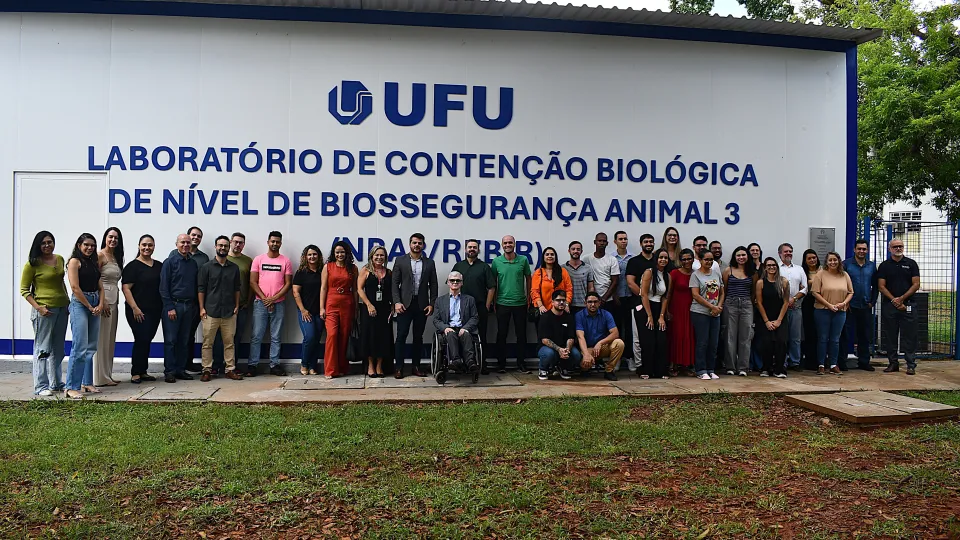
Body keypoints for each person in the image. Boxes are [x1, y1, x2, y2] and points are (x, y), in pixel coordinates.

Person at [20, 231, 69, 396]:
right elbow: (24, 290)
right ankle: (41, 386)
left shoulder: (60, 259)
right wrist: (39, 307)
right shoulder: (32, 264)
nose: (47, 245)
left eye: (50, 242)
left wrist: (67, 302)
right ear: (38, 245)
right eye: (43, 243)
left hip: (62, 309)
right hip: (44, 311)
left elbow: (61, 281)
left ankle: (55, 383)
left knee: (58, 349)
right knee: (43, 349)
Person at [393, 233, 439, 377]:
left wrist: (432, 303)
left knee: (418, 337)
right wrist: (396, 302)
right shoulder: (400, 261)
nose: (417, 245)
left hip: (422, 305)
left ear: (423, 245)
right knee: (401, 336)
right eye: (414, 243)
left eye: (419, 243)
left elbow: (434, 284)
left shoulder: (430, 263)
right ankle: (399, 368)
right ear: (410, 244)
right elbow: (394, 283)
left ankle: (416, 366)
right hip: (404, 305)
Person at [65, 233, 105, 398]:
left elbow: (101, 286)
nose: (90, 248)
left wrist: (100, 304)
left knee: (91, 347)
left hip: (95, 302)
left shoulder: (94, 263)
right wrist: (89, 306)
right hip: (80, 304)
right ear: (79, 245)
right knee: (79, 347)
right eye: (86, 245)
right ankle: (71, 387)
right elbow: (75, 287)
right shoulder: (74, 262)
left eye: (93, 245)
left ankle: (86, 383)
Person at [248, 231, 293, 377]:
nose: (275, 244)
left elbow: (288, 284)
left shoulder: (285, 261)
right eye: (272, 241)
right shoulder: (258, 259)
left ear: (281, 243)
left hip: (278, 304)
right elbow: (252, 282)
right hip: (260, 303)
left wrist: (273, 299)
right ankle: (252, 365)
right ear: (268, 242)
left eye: (277, 242)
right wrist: (265, 299)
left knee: (276, 336)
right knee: (256, 335)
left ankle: (274, 364)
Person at [198, 236, 242, 382]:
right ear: (215, 247)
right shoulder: (207, 267)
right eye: (220, 245)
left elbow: (237, 288)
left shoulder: (234, 268)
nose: (222, 248)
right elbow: (201, 289)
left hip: (229, 312)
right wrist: (201, 308)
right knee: (207, 343)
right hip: (210, 311)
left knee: (229, 343)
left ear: (229, 247)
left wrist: (236, 306)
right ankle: (207, 370)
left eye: (225, 246)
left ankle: (230, 369)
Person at [121, 234, 162, 384]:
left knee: (147, 340)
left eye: (150, 245)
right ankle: (135, 372)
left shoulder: (159, 265)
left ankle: (143, 371)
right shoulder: (132, 266)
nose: (147, 248)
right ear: (139, 246)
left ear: (154, 247)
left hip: (155, 310)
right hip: (137, 311)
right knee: (141, 338)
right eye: (144, 245)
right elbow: (126, 288)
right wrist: (135, 308)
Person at [877, 239, 921, 374]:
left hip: (908, 305)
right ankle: (893, 363)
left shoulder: (911, 264)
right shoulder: (884, 266)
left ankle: (911, 364)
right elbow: (881, 286)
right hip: (890, 305)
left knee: (909, 335)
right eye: (895, 246)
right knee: (890, 335)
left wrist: (902, 299)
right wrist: (894, 301)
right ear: (890, 248)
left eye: (900, 246)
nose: (898, 248)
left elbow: (916, 284)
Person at [168, 226, 209, 373]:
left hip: (194, 303)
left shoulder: (202, 258)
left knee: (189, 335)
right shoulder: (173, 255)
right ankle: (173, 368)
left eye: (199, 236)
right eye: (193, 235)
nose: (195, 238)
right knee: (174, 337)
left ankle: (187, 364)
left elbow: (203, 281)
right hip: (176, 302)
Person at [160, 234, 199, 384]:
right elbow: (163, 287)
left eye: (188, 243)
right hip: (173, 306)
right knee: (171, 341)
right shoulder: (169, 262)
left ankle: (181, 370)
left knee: (184, 340)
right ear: (176, 244)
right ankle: (169, 371)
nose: (185, 245)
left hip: (189, 306)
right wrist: (169, 307)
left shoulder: (193, 263)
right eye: (182, 242)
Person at [453, 239, 495, 372]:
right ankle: (462, 363)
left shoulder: (484, 267)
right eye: (469, 247)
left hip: (479, 307)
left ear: (478, 250)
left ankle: (482, 363)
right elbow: (452, 285)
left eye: (474, 247)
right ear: (465, 249)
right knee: (461, 334)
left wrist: (487, 306)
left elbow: (491, 287)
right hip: (461, 307)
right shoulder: (459, 266)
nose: (472, 249)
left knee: (482, 335)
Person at [213, 232, 253, 375]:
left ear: (244, 245)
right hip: (221, 307)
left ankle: (231, 366)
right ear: (230, 243)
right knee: (218, 338)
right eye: (235, 242)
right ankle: (216, 365)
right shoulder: (222, 259)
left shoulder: (248, 261)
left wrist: (247, 302)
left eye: (241, 242)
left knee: (237, 337)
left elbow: (251, 283)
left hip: (241, 306)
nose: (238, 245)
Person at [491, 235, 531, 373]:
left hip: (520, 303)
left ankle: (521, 363)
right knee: (501, 334)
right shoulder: (496, 261)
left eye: (510, 242)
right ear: (502, 245)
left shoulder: (523, 260)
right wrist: (494, 301)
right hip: (502, 303)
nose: (508, 245)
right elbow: (493, 283)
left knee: (522, 335)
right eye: (505, 243)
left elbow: (528, 278)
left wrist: (529, 296)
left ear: (515, 244)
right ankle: (501, 364)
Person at [319, 241, 359, 378]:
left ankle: (342, 368)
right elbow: (323, 288)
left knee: (344, 336)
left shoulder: (353, 268)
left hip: (348, 304)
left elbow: (355, 289)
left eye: (342, 252)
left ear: (347, 253)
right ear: (333, 253)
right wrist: (321, 307)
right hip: (331, 303)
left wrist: (356, 308)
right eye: (337, 252)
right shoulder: (328, 267)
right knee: (332, 335)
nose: (340, 254)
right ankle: (330, 370)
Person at [810, 251, 854, 375]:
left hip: (840, 311)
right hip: (822, 311)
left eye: (835, 260)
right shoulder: (821, 274)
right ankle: (821, 365)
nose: (833, 262)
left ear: (839, 261)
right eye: (830, 260)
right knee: (823, 338)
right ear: (826, 262)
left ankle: (834, 365)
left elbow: (851, 292)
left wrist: (844, 303)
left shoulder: (844, 275)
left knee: (835, 339)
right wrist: (828, 305)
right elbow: (815, 292)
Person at [92, 227, 123, 387]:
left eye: (116, 238)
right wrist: (101, 301)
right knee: (101, 339)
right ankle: (99, 377)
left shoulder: (115, 257)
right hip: (104, 300)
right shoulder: (99, 255)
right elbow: (94, 278)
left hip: (114, 301)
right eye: (110, 237)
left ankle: (107, 374)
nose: (113, 240)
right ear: (105, 238)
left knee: (110, 339)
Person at [432, 271, 480, 374]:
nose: (455, 282)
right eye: (452, 280)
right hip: (448, 329)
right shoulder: (440, 301)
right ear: (448, 282)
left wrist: (466, 328)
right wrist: (445, 328)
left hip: (463, 328)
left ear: (462, 283)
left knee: (466, 334)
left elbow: (474, 317)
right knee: (450, 334)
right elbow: (436, 319)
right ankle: (456, 361)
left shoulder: (470, 300)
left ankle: (470, 362)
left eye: (457, 280)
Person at [358, 244, 393, 378]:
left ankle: (379, 365)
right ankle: (370, 365)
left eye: (382, 255)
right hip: (369, 309)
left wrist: (392, 305)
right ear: (371, 257)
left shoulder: (388, 272)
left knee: (383, 337)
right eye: (376, 255)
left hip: (384, 310)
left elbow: (391, 291)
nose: (379, 257)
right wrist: (368, 304)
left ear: (385, 257)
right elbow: (359, 289)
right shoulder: (365, 270)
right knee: (370, 337)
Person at [843, 239, 878, 371]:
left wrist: (872, 302)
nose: (861, 251)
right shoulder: (847, 264)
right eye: (859, 249)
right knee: (846, 334)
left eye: (864, 249)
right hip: (850, 305)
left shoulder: (871, 266)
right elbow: (842, 284)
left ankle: (864, 362)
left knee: (864, 335)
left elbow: (875, 285)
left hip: (865, 305)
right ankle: (843, 361)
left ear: (867, 250)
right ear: (854, 249)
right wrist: (845, 302)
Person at [690, 248, 725, 380]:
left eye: (711, 259)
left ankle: (711, 369)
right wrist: (711, 306)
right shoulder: (695, 275)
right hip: (700, 313)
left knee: (713, 343)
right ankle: (701, 369)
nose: (709, 262)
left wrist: (719, 306)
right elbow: (695, 295)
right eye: (706, 259)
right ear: (700, 260)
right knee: (702, 342)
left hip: (715, 313)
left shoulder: (716, 273)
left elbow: (722, 291)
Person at [624, 233, 656, 370]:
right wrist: (644, 297)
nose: (648, 244)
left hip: (656, 303)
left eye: (651, 242)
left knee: (654, 335)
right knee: (637, 336)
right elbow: (630, 283)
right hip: (638, 303)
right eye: (646, 242)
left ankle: (653, 363)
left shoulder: (658, 260)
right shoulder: (634, 261)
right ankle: (639, 364)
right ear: (641, 243)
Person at [575, 292, 624, 381]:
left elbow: (615, 333)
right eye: (590, 302)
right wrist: (586, 354)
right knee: (584, 364)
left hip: (601, 347)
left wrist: (600, 343)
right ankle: (586, 369)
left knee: (619, 343)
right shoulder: (579, 316)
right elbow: (580, 337)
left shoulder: (606, 314)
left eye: (595, 302)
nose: (592, 304)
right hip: (587, 348)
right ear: (585, 303)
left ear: (599, 303)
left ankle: (609, 370)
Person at [722, 246, 754, 377]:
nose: (741, 257)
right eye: (738, 255)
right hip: (730, 304)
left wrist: (747, 302)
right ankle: (730, 366)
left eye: (743, 255)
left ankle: (743, 367)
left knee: (746, 336)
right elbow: (724, 289)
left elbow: (753, 292)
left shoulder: (752, 272)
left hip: (747, 304)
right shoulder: (728, 270)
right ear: (735, 257)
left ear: (747, 256)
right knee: (730, 336)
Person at [638, 249, 670, 379]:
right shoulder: (649, 272)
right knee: (648, 341)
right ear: (656, 259)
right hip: (646, 308)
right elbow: (644, 294)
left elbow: (665, 297)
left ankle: (661, 371)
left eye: (665, 258)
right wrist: (649, 316)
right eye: (660, 257)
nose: (663, 260)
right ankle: (646, 370)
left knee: (661, 341)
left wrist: (661, 316)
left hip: (659, 308)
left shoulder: (668, 276)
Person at [663, 248, 696, 377]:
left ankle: (686, 365)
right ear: (680, 260)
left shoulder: (696, 273)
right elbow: (668, 293)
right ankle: (673, 364)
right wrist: (666, 311)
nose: (687, 261)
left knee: (689, 337)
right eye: (684, 259)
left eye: (689, 259)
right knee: (676, 336)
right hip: (676, 309)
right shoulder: (674, 273)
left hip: (692, 310)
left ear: (693, 259)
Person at [755, 257, 790, 378]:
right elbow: (759, 302)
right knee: (767, 343)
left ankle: (779, 369)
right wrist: (766, 321)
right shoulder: (760, 283)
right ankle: (766, 368)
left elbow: (786, 302)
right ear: (765, 268)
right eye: (769, 265)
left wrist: (779, 320)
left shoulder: (784, 282)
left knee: (781, 342)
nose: (771, 267)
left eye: (774, 265)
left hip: (780, 317)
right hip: (765, 317)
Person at [293, 245, 324, 375]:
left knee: (317, 339)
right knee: (309, 337)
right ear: (305, 257)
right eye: (310, 255)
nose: (312, 257)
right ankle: (304, 363)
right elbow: (295, 292)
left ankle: (312, 366)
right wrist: (303, 310)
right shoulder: (301, 272)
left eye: (314, 254)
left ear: (319, 256)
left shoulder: (323, 271)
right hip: (305, 312)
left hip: (319, 312)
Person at [537, 289, 579, 380]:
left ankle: (562, 367)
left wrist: (567, 349)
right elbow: (544, 339)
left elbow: (571, 337)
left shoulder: (569, 317)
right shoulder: (545, 317)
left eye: (563, 300)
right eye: (558, 300)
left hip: (563, 346)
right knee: (548, 353)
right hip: (547, 347)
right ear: (552, 302)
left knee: (576, 354)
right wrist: (559, 349)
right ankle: (543, 369)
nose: (561, 303)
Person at [778, 243, 806, 371]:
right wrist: (785, 300)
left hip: (795, 306)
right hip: (780, 307)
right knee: (782, 337)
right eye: (786, 251)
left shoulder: (799, 269)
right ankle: (781, 361)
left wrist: (794, 298)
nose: (788, 253)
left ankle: (795, 362)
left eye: (790, 251)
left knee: (796, 337)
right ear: (780, 253)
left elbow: (805, 287)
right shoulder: (776, 267)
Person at [612, 231, 637, 369]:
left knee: (629, 329)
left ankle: (629, 357)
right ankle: (616, 358)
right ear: (615, 241)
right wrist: (614, 295)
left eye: (625, 238)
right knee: (615, 329)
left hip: (630, 298)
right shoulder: (611, 258)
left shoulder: (632, 258)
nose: (623, 241)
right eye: (620, 239)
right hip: (616, 298)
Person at [582, 233, 620, 315]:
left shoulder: (612, 259)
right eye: (599, 241)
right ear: (595, 242)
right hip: (591, 301)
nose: (602, 243)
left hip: (607, 300)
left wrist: (604, 299)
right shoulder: (586, 259)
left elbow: (615, 281)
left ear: (607, 243)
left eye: (604, 241)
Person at [531, 247, 573, 315]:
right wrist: (540, 306)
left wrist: (566, 304)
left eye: (552, 254)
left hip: (560, 310)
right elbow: (534, 291)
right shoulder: (538, 273)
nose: (550, 256)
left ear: (555, 257)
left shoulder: (563, 272)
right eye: (547, 254)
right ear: (543, 257)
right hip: (543, 310)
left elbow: (569, 289)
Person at [800, 249, 821, 370]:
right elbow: (802, 286)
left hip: (821, 303)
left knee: (820, 333)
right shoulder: (802, 271)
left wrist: (810, 282)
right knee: (809, 333)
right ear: (805, 261)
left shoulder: (823, 270)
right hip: (808, 304)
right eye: (809, 258)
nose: (812, 260)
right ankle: (809, 360)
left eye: (814, 257)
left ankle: (820, 360)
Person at [564, 241, 594, 315]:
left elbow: (591, 288)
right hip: (567, 305)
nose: (575, 251)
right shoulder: (563, 268)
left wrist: (589, 302)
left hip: (583, 305)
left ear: (581, 251)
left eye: (578, 249)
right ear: (569, 251)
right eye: (573, 249)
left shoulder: (588, 268)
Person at [747, 242, 765, 372]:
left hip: (763, 305)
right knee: (749, 334)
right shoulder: (746, 268)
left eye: (757, 250)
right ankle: (749, 362)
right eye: (752, 250)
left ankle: (759, 363)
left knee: (760, 336)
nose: (754, 252)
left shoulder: (765, 266)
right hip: (749, 304)